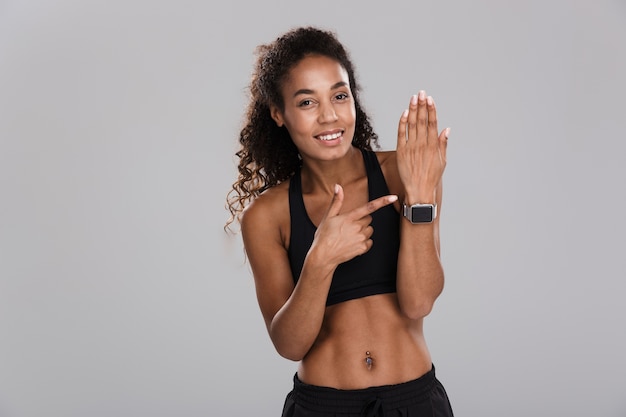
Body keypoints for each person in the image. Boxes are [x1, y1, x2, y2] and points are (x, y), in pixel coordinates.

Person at [226, 26, 454, 417]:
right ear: (278, 114)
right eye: (307, 103)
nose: (329, 116)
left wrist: (419, 199)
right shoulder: (267, 216)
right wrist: (320, 260)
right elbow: (289, 345)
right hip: (324, 407)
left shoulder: (405, 172)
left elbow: (419, 302)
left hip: (413, 403)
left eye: (339, 95)